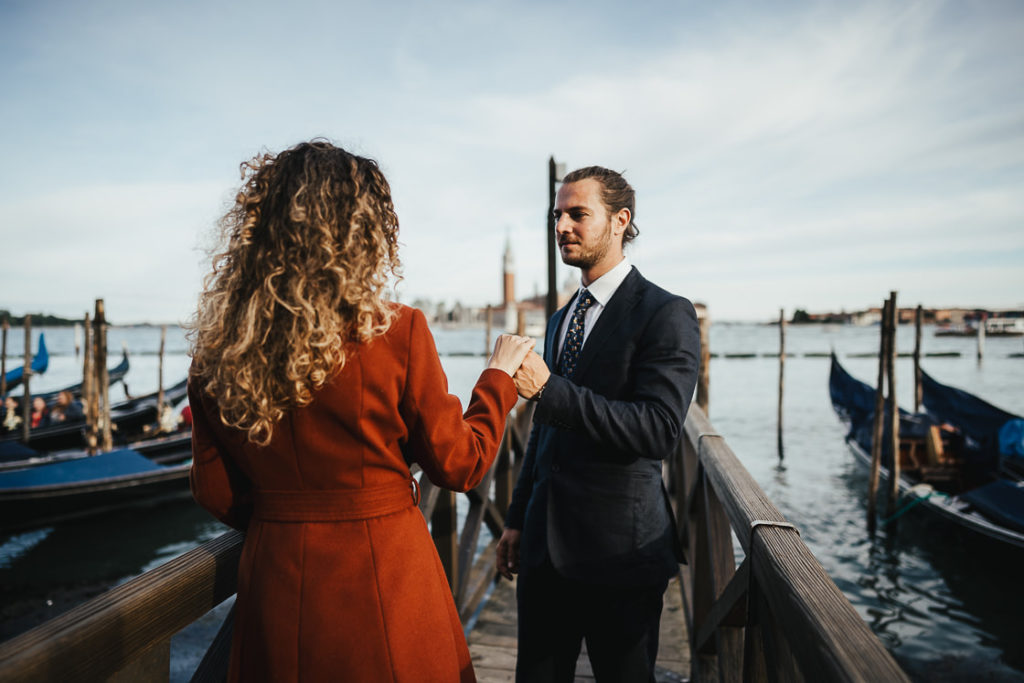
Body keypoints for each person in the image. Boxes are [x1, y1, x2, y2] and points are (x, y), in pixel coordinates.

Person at [187, 140, 535, 683]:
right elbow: (459, 465)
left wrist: (288, 515)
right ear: (362, 234)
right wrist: (496, 381)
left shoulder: (218, 354)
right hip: (386, 581)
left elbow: (214, 492)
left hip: (274, 587)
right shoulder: (397, 332)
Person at [496, 166, 700, 682]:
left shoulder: (665, 313)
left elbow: (657, 429)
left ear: (619, 220)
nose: (562, 225)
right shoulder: (564, 317)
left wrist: (549, 388)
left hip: (621, 555)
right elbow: (543, 430)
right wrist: (518, 518)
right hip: (544, 551)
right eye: (557, 215)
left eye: (577, 214)